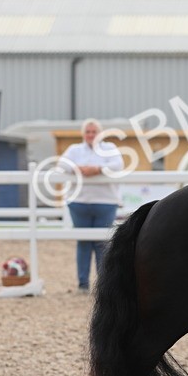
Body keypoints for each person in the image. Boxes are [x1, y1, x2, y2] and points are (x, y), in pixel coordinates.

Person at [62, 118, 124, 293]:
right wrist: (78, 169)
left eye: (94, 132)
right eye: (88, 132)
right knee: (83, 242)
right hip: (79, 202)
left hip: (106, 202)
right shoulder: (74, 150)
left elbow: (118, 165)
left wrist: (98, 169)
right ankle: (83, 283)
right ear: (83, 134)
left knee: (103, 243)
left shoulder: (109, 148)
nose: (90, 135)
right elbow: (61, 164)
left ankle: (102, 284)